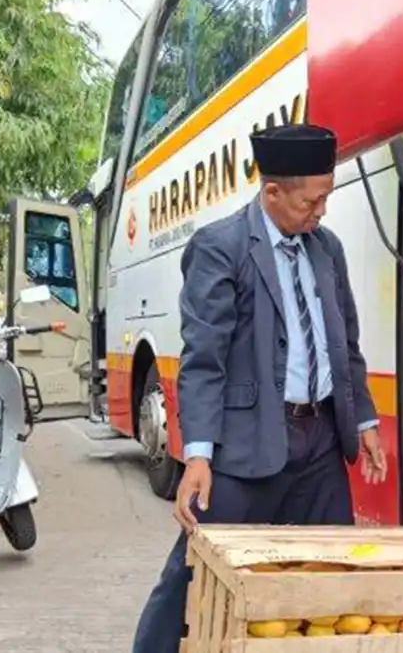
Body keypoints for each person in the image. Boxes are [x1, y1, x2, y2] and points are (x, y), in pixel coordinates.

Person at [131, 123, 388, 653]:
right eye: (312, 201)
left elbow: (347, 344)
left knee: (327, 573)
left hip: (319, 442)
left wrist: (362, 420)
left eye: (326, 198)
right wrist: (197, 455)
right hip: (247, 444)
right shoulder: (221, 247)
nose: (321, 211)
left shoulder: (327, 250)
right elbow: (205, 359)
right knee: (197, 569)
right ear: (273, 192)